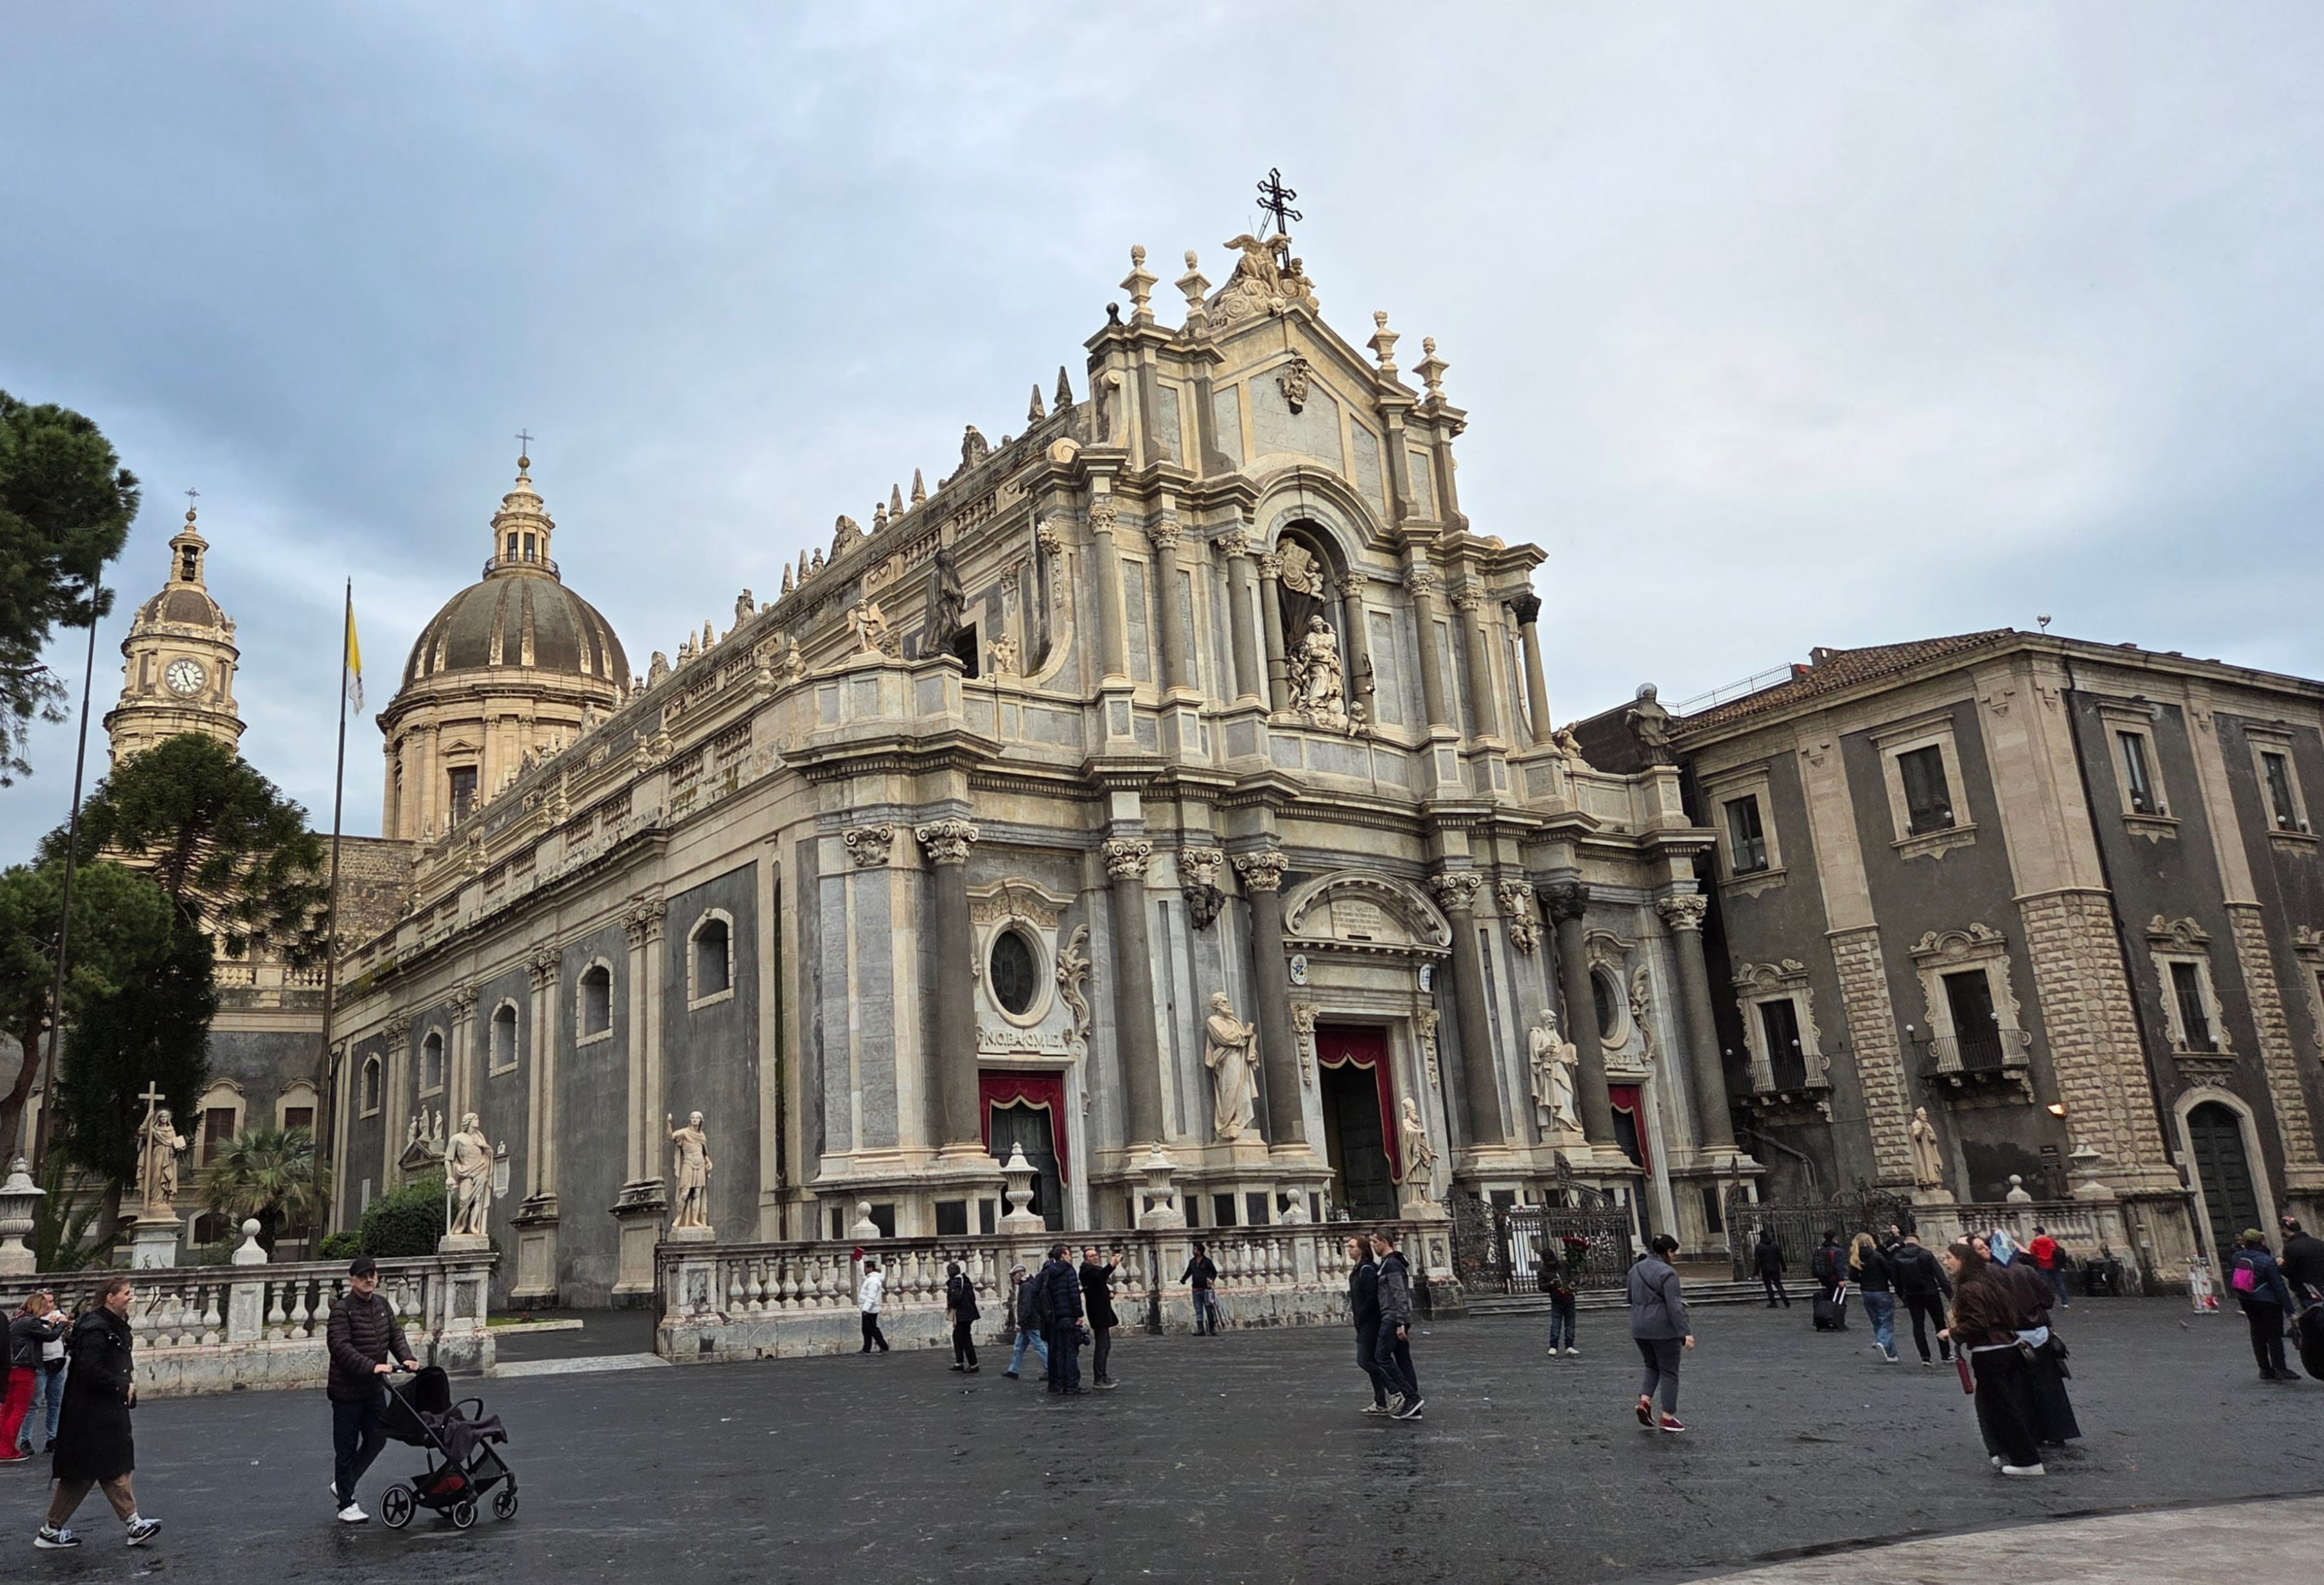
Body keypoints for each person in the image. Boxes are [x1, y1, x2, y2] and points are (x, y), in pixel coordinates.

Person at [39, 1276, 161, 1549]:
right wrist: (120, 1385)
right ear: (110, 1297)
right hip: (94, 1411)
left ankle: (52, 1529)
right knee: (109, 1467)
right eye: (127, 1293)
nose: (132, 1297)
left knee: (86, 1473)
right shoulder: (97, 1328)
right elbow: (88, 1368)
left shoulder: (106, 1324)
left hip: (97, 1409)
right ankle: (132, 1523)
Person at [323, 1254, 419, 1523]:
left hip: (374, 1390)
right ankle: (346, 1504)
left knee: (378, 1438)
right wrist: (371, 1366)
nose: (369, 1280)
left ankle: (344, 1482)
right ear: (352, 1280)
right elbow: (340, 1347)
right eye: (363, 1276)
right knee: (346, 1448)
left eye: (372, 1275)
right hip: (347, 1393)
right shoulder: (342, 1310)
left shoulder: (381, 1305)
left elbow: (395, 1335)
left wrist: (406, 1358)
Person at [1939, 1241, 2043, 1475]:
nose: (1945, 1262)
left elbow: (1979, 1322)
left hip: (1990, 1352)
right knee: (2005, 1406)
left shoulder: (1969, 1288)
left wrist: (1952, 1333)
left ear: (1962, 1260)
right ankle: (2017, 1455)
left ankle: (2026, 1460)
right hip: (2008, 1347)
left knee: (2002, 1408)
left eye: (1948, 1257)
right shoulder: (1989, 1282)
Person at [1627, 1234, 1694, 1433]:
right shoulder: (1668, 1273)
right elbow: (1674, 1306)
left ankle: (1645, 1401)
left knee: (1651, 1365)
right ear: (1668, 1252)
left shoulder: (1635, 1270)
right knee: (1669, 1371)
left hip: (1639, 1326)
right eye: (1673, 1253)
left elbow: (1629, 1297)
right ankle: (1668, 1416)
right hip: (1663, 1328)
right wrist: (1686, 1332)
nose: (1673, 1257)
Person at [2230, 1228, 2296, 1382]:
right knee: (2274, 1335)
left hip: (2246, 1299)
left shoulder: (2237, 1257)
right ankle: (2280, 1368)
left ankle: (2265, 1369)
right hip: (2267, 1301)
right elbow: (2278, 1286)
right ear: (2260, 1241)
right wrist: (2290, 1311)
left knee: (2257, 1333)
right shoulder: (2267, 1260)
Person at [1371, 1227, 1424, 1420]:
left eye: (1375, 1242)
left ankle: (1411, 1396)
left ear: (1384, 1242)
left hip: (1392, 1317)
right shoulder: (1391, 1263)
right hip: (1397, 1317)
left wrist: (1401, 1322)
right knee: (1403, 1360)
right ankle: (1414, 1407)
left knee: (1382, 1356)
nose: (1373, 1246)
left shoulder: (1391, 1265)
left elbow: (1399, 1293)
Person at [1890, 1233, 1954, 1368]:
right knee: (1939, 1323)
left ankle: (1925, 1356)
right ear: (1918, 1242)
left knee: (1918, 1325)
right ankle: (1946, 1353)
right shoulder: (1926, 1254)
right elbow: (1940, 1275)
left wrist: (1901, 1294)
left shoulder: (1897, 1256)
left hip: (1912, 1294)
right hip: (1931, 1292)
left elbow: (1895, 1279)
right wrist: (1951, 1296)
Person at [1347, 1236, 1391, 1414]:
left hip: (1370, 1322)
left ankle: (1394, 1388)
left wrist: (1362, 1315)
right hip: (1365, 1321)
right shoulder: (1360, 1269)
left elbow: (1371, 1298)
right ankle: (1380, 1401)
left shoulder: (1366, 1270)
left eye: (1352, 1246)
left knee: (1364, 1360)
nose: (1348, 1249)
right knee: (1371, 1360)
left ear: (1361, 1250)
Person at [1036, 1243, 1085, 1396]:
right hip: (1068, 1316)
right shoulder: (1069, 1271)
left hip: (1055, 1317)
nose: (1070, 1257)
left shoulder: (1049, 1272)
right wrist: (1079, 1314)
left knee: (1060, 1352)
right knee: (1071, 1352)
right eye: (1068, 1254)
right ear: (1062, 1256)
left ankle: (1062, 1383)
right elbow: (1073, 1294)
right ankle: (1072, 1385)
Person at [1850, 1232, 1898, 1363]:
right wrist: (1898, 1287)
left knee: (1877, 1321)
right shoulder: (1877, 1256)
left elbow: (1852, 1277)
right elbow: (1889, 1272)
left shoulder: (1856, 1258)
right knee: (1886, 1320)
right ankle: (1882, 1341)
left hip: (1866, 1292)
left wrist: (1863, 1279)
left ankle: (1891, 1353)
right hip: (1881, 1290)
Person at [1079, 1247, 1119, 1389]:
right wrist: (1112, 1265)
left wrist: (1109, 1292)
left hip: (1101, 1311)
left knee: (1106, 1345)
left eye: (1096, 1255)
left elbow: (1099, 1283)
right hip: (1098, 1313)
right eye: (1091, 1256)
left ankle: (1103, 1375)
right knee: (1102, 1346)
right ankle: (1099, 1377)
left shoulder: (1092, 1271)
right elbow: (1100, 1276)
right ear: (1086, 1259)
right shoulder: (1088, 1271)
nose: (1095, 1257)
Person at [1002, 1263, 1048, 1379]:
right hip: (1029, 1322)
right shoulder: (1029, 1284)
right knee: (1019, 1347)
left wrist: (1020, 1322)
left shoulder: (1026, 1286)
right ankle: (1013, 1370)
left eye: (1013, 1277)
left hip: (1029, 1322)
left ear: (1019, 1275)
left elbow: (1026, 1306)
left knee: (1038, 1346)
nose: (1013, 1280)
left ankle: (1050, 1368)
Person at [943, 1262, 980, 1374]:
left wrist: (951, 1305)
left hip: (962, 1314)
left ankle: (973, 1364)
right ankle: (959, 1362)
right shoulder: (966, 1281)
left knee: (964, 1339)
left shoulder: (955, 1283)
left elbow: (955, 1298)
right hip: (969, 1313)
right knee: (959, 1337)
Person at [1810, 1229, 1848, 1330]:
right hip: (1834, 1278)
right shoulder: (1837, 1250)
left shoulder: (1821, 1249)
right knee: (1839, 1300)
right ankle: (1837, 1320)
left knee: (1829, 1298)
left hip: (1824, 1277)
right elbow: (1838, 1266)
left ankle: (1826, 1318)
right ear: (1834, 1238)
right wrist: (1841, 1279)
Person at [2027, 1225, 2070, 1309]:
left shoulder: (2035, 1242)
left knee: (2044, 1284)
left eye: (2035, 1231)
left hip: (2042, 1265)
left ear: (2037, 1232)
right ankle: (2065, 1302)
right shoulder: (2051, 1240)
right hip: (2054, 1265)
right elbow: (2058, 1249)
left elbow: (2032, 1253)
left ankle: (2045, 1302)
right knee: (2059, 1284)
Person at [1182, 1242, 1220, 1335]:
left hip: (1206, 1289)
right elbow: (1189, 1272)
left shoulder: (1207, 1262)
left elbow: (1214, 1272)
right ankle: (1201, 1329)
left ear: (1200, 1251)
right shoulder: (1192, 1262)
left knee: (1209, 1309)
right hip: (1196, 1288)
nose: (1193, 1251)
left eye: (1195, 1249)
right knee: (1198, 1310)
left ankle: (1212, 1328)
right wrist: (1183, 1279)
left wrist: (1211, 1280)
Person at [857, 1257, 890, 1354]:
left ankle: (884, 1347)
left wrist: (865, 1309)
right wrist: (860, 1261)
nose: (865, 1270)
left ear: (870, 1269)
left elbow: (871, 1297)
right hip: (869, 1309)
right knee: (866, 1330)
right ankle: (866, 1348)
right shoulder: (871, 1279)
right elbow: (862, 1274)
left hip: (870, 1310)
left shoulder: (873, 1281)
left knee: (872, 1329)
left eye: (866, 1268)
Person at [1752, 1229, 1790, 1308]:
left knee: (1768, 1285)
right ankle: (1784, 1297)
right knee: (1778, 1284)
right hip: (1775, 1268)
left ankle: (1773, 1301)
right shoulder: (1774, 1245)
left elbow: (1758, 1261)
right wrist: (1784, 1267)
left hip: (1765, 1269)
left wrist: (1756, 1272)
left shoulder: (1759, 1247)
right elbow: (1780, 1256)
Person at [1546, 1270, 1579, 1357]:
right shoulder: (1545, 1271)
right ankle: (1553, 1346)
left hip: (1569, 1299)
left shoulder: (1567, 1266)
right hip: (1557, 1300)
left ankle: (1569, 1345)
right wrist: (1551, 1284)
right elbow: (1542, 1286)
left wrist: (1574, 1282)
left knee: (1570, 1324)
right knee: (1556, 1324)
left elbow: (1576, 1274)